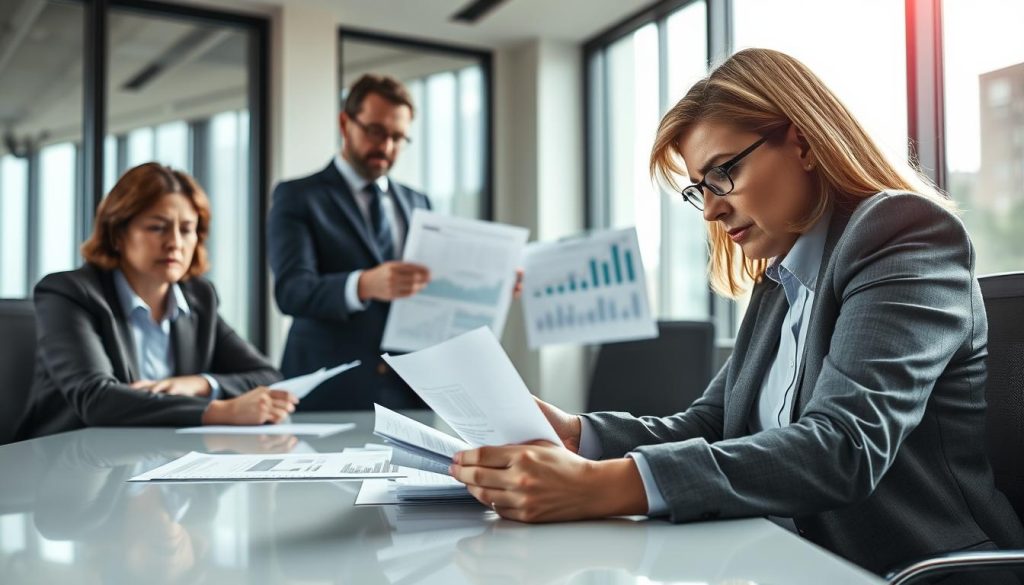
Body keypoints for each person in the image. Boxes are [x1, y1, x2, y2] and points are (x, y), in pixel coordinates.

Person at [449, 48, 1024, 577]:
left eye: (724, 171)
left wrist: (604, 486)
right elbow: (708, 425)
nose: (712, 210)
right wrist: (577, 435)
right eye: (700, 188)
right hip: (782, 559)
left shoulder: (903, 234)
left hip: (910, 569)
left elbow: (843, 447)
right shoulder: (781, 276)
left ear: (801, 142)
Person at [18, 163, 295, 440]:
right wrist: (219, 411)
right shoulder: (69, 293)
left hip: (164, 458)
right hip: (73, 461)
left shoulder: (199, 297)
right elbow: (97, 399)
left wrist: (197, 384)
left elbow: (267, 376)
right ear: (117, 234)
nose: (175, 243)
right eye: (157, 228)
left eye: (187, 230)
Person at [268, 74, 431, 411]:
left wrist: (492, 284)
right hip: (331, 387)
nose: (386, 146)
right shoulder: (298, 196)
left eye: (398, 137)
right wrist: (362, 285)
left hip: (411, 389)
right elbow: (291, 291)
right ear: (345, 123)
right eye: (376, 131)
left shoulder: (418, 202)